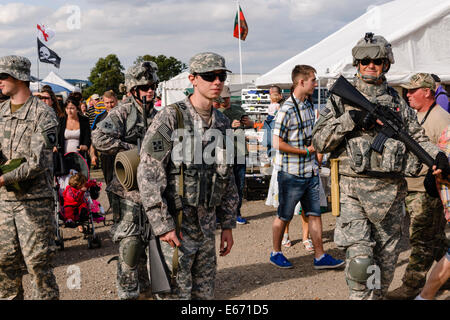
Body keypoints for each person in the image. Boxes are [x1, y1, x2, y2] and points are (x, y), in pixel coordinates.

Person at [312, 33, 448, 299]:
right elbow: (318, 140)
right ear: (357, 63)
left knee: (383, 273)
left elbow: (418, 138)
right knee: (362, 266)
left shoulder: (397, 102)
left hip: (391, 198)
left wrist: (439, 156)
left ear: (386, 63)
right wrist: (350, 120)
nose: (370, 65)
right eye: (364, 61)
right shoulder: (341, 100)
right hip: (353, 194)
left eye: (377, 60)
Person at [137, 52, 239, 299]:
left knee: (204, 295)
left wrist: (227, 223)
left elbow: (228, 177)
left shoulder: (223, 123)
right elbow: (149, 172)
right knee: (174, 295)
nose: (217, 82)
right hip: (177, 226)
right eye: (209, 76)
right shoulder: (171, 117)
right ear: (193, 79)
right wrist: (163, 225)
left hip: (206, 227)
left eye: (221, 76)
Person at [92, 61, 159, 300]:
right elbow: (99, 138)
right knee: (130, 244)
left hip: (152, 192)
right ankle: (128, 293)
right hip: (127, 191)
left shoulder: (159, 115)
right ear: (132, 89)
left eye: (153, 85)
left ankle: (147, 289)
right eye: (145, 86)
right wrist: (133, 149)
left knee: (151, 243)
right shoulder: (122, 111)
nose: (150, 90)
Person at [270, 64, 343, 270]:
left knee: (315, 214)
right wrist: (307, 151)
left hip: (310, 172)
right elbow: (277, 143)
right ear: (301, 82)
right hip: (291, 174)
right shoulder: (287, 109)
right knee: (284, 215)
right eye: (313, 80)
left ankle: (320, 256)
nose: (315, 84)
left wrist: (315, 156)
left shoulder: (309, 105)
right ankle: (276, 252)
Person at [386, 73, 450, 299]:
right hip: (411, 187)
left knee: (421, 240)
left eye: (413, 91)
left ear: (427, 91)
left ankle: (411, 286)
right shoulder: (413, 116)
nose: (408, 95)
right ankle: (445, 276)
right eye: (407, 91)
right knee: (436, 239)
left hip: (428, 191)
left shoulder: (441, 119)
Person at [0, 55, 59, 299]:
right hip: (4, 203)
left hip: (34, 203)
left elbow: (38, 162)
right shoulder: (1, 111)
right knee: (4, 265)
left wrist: (3, 178)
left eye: (3, 75)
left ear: (20, 77)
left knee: (38, 266)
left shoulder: (43, 115)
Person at [219, 85, 253, 225]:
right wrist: (229, 126)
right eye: (223, 98)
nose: (225, 101)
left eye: (227, 98)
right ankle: (220, 214)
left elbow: (250, 123)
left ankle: (237, 212)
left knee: (239, 184)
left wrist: (249, 123)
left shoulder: (238, 109)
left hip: (239, 152)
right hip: (223, 153)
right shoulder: (215, 112)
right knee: (222, 185)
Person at [91, 90, 118, 186]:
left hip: (120, 154)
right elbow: (93, 137)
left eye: (112, 102)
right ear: (103, 103)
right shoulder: (99, 117)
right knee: (109, 183)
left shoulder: (124, 115)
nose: (109, 105)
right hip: (105, 156)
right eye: (107, 103)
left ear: (116, 101)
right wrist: (93, 155)